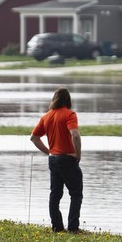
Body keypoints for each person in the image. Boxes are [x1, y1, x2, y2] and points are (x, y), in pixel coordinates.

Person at [30, 88, 83, 233]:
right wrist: (78, 154)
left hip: (53, 160)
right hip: (67, 159)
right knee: (76, 194)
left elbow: (34, 138)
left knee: (55, 195)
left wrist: (50, 152)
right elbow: (75, 135)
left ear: (54, 99)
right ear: (68, 100)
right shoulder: (69, 114)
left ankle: (57, 227)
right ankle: (73, 228)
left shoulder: (46, 117)